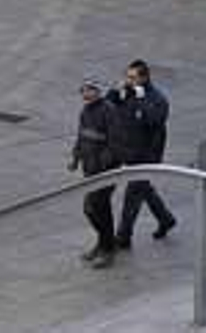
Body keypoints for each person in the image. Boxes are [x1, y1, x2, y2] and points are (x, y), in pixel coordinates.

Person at [110, 60, 177, 249]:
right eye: (127, 77)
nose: (128, 81)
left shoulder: (157, 99)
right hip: (130, 152)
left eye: (132, 77)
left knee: (133, 193)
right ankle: (166, 219)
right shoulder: (128, 94)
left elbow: (153, 121)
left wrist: (140, 100)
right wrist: (116, 93)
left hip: (147, 155)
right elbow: (110, 108)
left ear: (144, 77)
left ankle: (123, 236)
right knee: (143, 189)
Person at [69, 78, 120, 269]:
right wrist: (75, 158)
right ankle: (104, 242)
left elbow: (115, 143)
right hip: (90, 170)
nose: (85, 93)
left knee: (98, 207)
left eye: (89, 89)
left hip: (105, 171)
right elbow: (81, 136)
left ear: (98, 91)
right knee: (92, 209)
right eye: (83, 89)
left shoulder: (109, 111)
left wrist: (104, 164)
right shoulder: (85, 112)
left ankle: (107, 249)